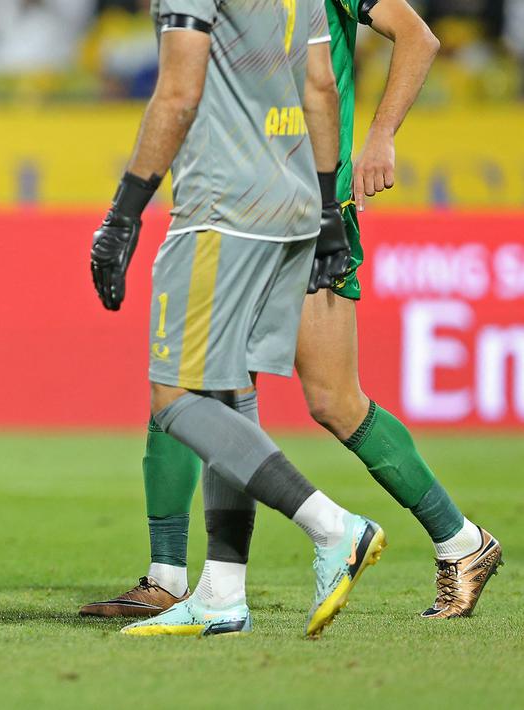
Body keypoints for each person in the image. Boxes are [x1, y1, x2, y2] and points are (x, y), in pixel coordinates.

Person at [82, 0, 502, 624]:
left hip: (286, 198)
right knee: (218, 384)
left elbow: (415, 38)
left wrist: (381, 134)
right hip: (281, 193)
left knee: (309, 397)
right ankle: (195, 583)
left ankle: (450, 539)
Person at [88, 0, 383, 638]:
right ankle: (223, 593)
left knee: (175, 396)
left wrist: (125, 210)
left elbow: (178, 93)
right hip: (296, 204)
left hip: (221, 210)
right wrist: (330, 210)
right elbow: (320, 85)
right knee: (229, 390)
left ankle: (334, 527)